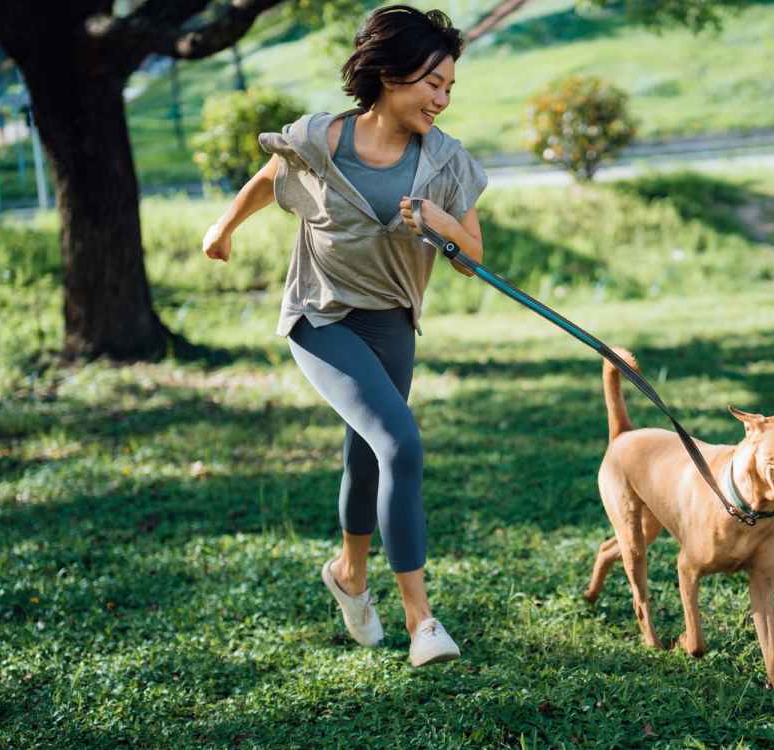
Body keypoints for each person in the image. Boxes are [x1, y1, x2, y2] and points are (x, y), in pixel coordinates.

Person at [201, 4, 488, 667]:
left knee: (368, 454)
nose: (441, 99)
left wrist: (439, 221)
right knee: (400, 444)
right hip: (320, 317)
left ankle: (350, 575)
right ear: (389, 73)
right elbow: (274, 177)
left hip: (393, 321)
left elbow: (472, 253)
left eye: (449, 87)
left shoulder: (444, 162)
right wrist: (224, 227)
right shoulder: (321, 140)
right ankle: (423, 622)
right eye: (432, 83)